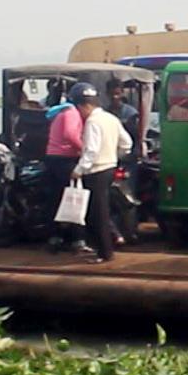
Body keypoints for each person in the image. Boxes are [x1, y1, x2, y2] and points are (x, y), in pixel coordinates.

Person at [71, 82, 131, 263]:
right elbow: (126, 144)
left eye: (78, 108)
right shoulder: (111, 118)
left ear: (84, 105)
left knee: (97, 213)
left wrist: (78, 170)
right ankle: (104, 250)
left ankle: (104, 253)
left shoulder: (93, 122)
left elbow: (91, 150)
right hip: (109, 168)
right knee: (102, 210)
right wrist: (114, 156)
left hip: (95, 171)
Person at [44, 89, 87, 253]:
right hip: (65, 159)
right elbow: (69, 134)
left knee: (55, 199)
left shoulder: (60, 112)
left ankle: (55, 237)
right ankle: (77, 239)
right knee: (73, 199)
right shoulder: (72, 113)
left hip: (53, 158)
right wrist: (83, 149)